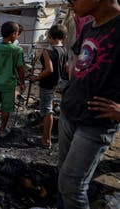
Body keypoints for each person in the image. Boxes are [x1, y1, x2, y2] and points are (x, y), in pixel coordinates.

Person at [57, 0, 120, 208]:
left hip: (95, 123)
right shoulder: (87, 27)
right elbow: (78, 62)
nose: (70, 1)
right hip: (69, 112)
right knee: (63, 177)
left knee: (72, 185)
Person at [30, 24, 68, 149]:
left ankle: (46, 140)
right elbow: (66, 68)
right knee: (51, 108)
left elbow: (49, 70)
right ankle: (51, 136)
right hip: (59, 83)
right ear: (64, 37)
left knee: (47, 111)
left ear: (50, 37)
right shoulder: (64, 50)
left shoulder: (48, 51)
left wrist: (36, 77)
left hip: (47, 84)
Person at [0, 21, 25, 137]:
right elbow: (20, 69)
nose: (18, 35)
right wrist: (22, 83)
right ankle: (2, 130)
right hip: (9, 84)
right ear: (13, 34)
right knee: (6, 109)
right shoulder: (17, 50)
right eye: (17, 33)